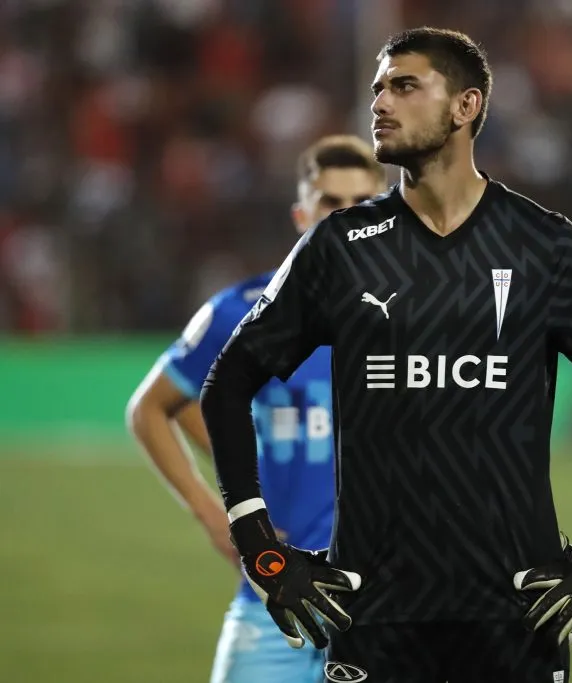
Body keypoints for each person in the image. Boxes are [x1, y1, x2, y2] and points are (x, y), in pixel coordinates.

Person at [199, 27, 572, 683]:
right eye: (377, 89)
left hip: (518, 614)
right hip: (374, 618)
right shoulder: (342, 247)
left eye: (404, 86)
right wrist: (261, 548)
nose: (380, 103)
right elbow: (228, 383)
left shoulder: (543, 244)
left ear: (466, 106)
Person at [126, 134, 386, 683]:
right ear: (301, 214)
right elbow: (151, 408)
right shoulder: (243, 312)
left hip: (391, 605)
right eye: (331, 204)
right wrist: (210, 510)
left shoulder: (429, 318)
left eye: (362, 204)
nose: (346, 219)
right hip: (276, 594)